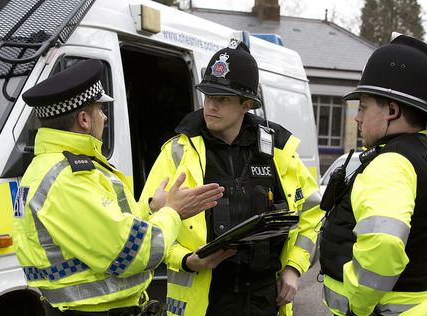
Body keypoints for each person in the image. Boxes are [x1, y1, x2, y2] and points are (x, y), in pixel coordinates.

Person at [11, 59, 224, 315]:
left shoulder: (48, 167)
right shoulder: (69, 178)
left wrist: (152, 208)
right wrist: (173, 212)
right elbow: (133, 253)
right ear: (83, 119)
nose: (104, 117)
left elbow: (109, 230)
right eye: (100, 109)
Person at [139, 39, 324, 316]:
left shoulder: (278, 151)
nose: (210, 106)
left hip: (266, 299)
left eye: (222, 99)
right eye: (208, 96)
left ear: (246, 104)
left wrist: (293, 268)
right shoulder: (177, 152)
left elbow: (311, 212)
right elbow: (143, 224)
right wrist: (187, 261)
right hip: (207, 301)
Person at [318, 34, 427, 316]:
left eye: (363, 107)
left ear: (392, 111)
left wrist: (359, 306)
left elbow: (383, 244)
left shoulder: (390, 163)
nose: (357, 118)